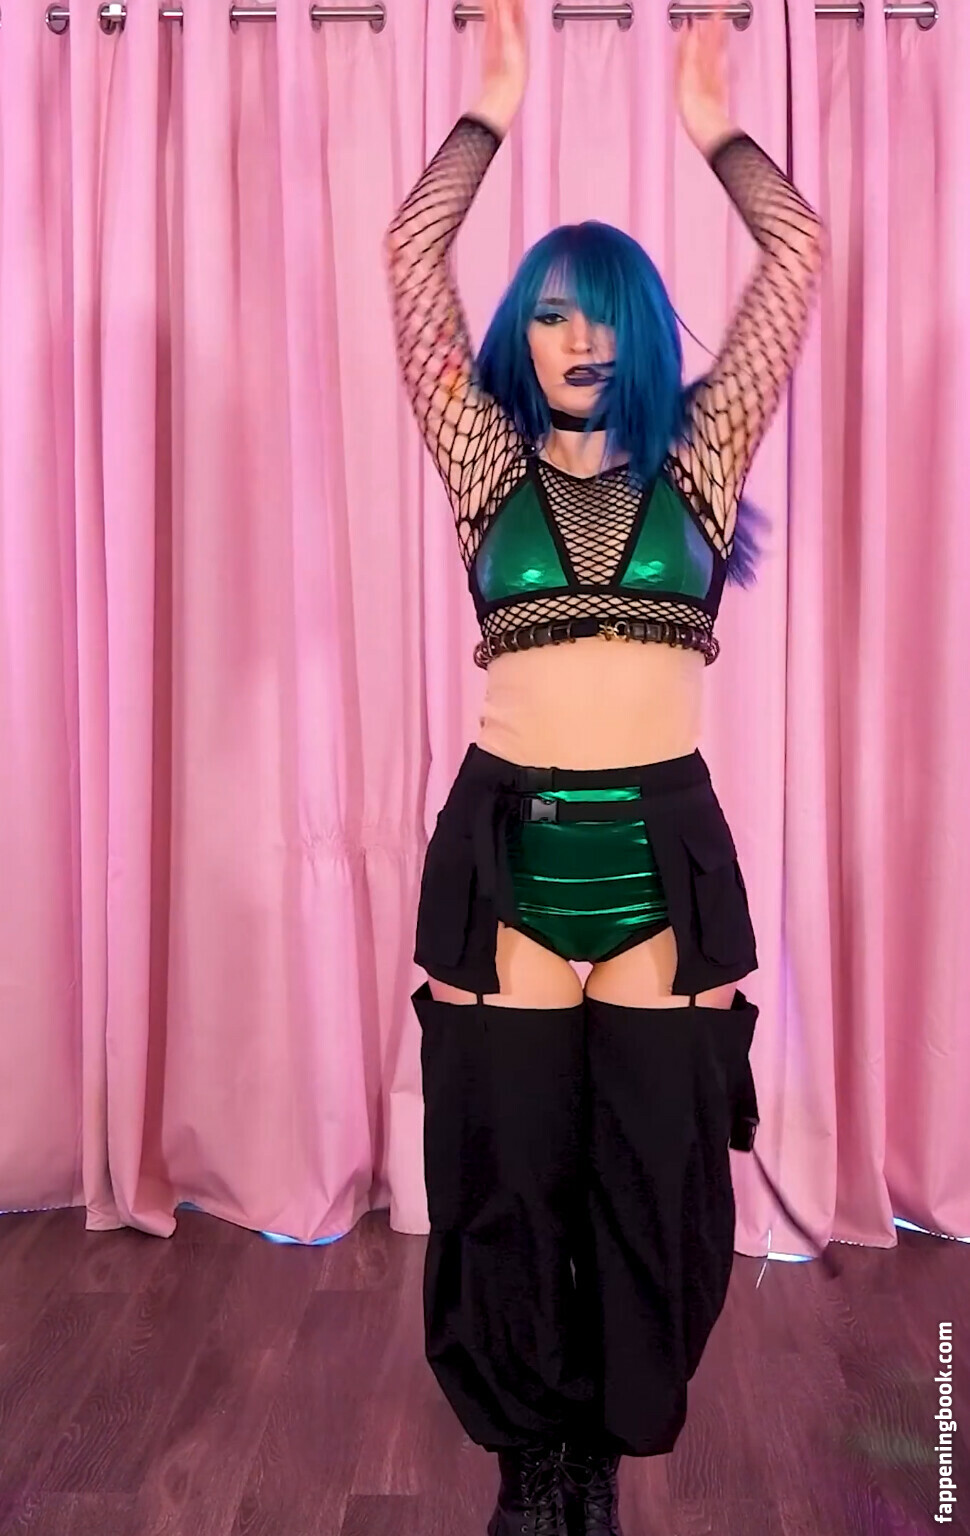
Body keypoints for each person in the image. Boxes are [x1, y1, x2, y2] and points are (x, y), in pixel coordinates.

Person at [383, 3, 825, 1533]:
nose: (581, 341)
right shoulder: (479, 462)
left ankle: (607, 1450)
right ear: (521, 335)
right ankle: (534, 1465)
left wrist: (712, 121)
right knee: (505, 1178)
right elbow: (409, 257)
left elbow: (793, 257)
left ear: (643, 335)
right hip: (506, 854)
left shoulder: (699, 463)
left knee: (656, 1180)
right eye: (554, 315)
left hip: (659, 857)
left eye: (608, 315)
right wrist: (494, 92)